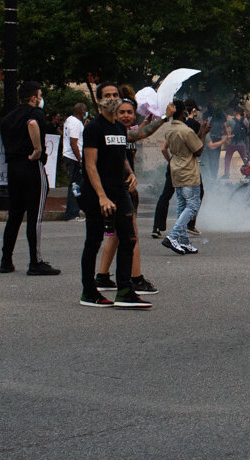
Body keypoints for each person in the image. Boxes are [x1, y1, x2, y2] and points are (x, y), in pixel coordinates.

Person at [79, 97, 151, 308]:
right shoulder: (93, 127)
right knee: (93, 241)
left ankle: (125, 290)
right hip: (98, 193)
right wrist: (101, 195)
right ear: (99, 101)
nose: (112, 99)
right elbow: (90, 165)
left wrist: (130, 173)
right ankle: (89, 291)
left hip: (120, 190)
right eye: (107, 96)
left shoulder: (119, 128)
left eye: (114, 95)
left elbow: (122, 157)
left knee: (128, 238)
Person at [0, 83, 60, 276]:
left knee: (14, 215)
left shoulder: (8, 118)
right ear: (34, 97)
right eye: (40, 95)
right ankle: (36, 261)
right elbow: (32, 124)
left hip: (13, 167)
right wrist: (37, 149)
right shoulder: (35, 114)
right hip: (31, 166)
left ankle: (6, 260)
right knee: (35, 217)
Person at [161, 105, 207, 254]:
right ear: (183, 113)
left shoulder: (169, 130)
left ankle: (184, 241)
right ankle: (173, 237)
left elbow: (166, 149)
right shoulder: (186, 131)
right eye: (186, 111)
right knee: (193, 205)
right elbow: (198, 150)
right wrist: (204, 133)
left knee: (182, 206)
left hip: (176, 170)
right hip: (188, 171)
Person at [61, 102, 87, 220]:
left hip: (70, 157)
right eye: (85, 110)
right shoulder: (76, 123)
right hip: (74, 158)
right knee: (75, 185)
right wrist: (80, 159)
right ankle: (72, 212)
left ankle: (75, 209)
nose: (86, 112)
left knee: (76, 185)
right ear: (81, 111)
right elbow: (73, 142)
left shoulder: (69, 120)